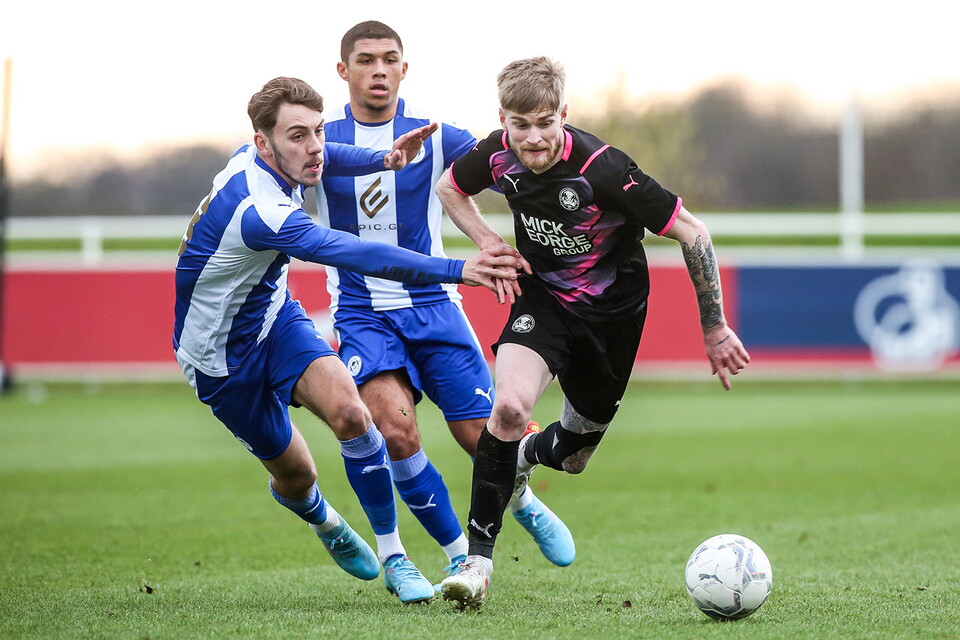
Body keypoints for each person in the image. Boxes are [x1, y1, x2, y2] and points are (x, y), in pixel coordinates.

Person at [173, 76, 522, 605]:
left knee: (353, 416)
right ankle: (324, 518)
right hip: (218, 357)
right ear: (263, 142)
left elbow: (326, 152)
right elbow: (355, 252)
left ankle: (394, 558)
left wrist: (378, 161)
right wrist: (458, 268)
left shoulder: (268, 155)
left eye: (316, 130)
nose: (313, 146)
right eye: (297, 136)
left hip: (276, 320)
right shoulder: (261, 211)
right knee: (296, 475)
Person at [437, 57, 752, 608]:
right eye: (519, 124)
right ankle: (477, 564)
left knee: (575, 457)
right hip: (543, 302)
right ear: (503, 120)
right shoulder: (495, 153)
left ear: (563, 114)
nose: (532, 139)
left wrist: (715, 326)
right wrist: (488, 242)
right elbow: (449, 188)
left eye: (544, 123)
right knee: (508, 407)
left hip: (613, 320)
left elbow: (694, 233)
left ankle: (526, 457)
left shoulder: (605, 170)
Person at [315, 20, 576, 593]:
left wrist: (508, 235)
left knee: (481, 434)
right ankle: (455, 557)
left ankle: (524, 502)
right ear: (344, 71)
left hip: (435, 307)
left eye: (389, 59)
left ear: (405, 69)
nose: (378, 70)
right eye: (365, 61)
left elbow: (516, 154)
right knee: (395, 432)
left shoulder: (435, 135)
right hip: (362, 313)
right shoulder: (323, 142)